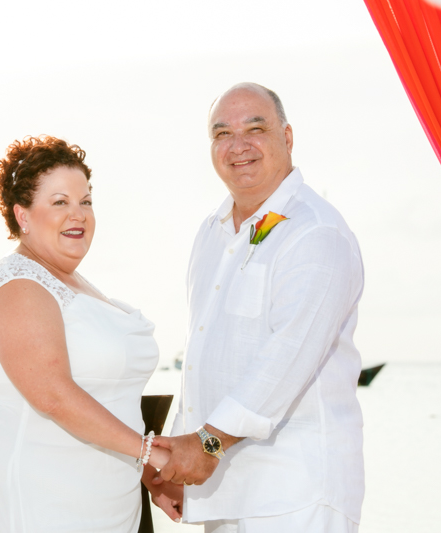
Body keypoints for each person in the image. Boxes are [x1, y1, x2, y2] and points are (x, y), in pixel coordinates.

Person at [153, 83, 365, 533]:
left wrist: (205, 444)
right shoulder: (211, 232)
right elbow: (202, 354)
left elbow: (286, 358)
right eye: (221, 133)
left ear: (287, 138)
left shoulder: (315, 231)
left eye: (255, 128)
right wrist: (176, 457)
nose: (238, 145)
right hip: (220, 490)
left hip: (295, 494)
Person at [0, 135, 172, 532]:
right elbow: (53, 395)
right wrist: (151, 454)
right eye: (60, 202)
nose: (79, 214)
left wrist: (145, 469)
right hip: (36, 493)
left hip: (100, 498)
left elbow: (103, 395)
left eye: (85, 201)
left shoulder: (74, 283)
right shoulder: (18, 284)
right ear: (23, 216)